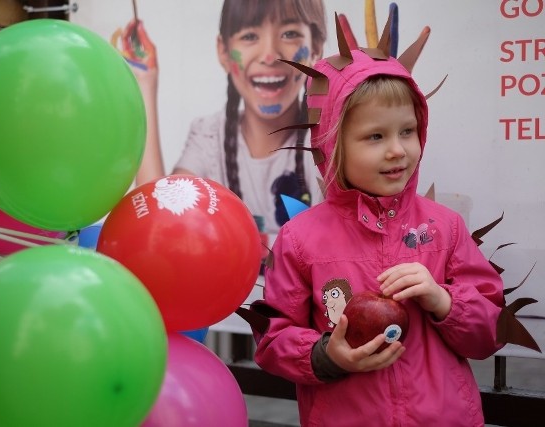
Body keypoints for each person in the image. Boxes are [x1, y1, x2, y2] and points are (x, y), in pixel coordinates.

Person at [251, 14, 506, 427]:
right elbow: (272, 337)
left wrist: (443, 301)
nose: (398, 151)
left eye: (408, 131)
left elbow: (489, 333)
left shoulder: (445, 228)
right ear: (332, 143)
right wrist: (326, 355)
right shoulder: (300, 239)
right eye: (375, 136)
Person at [123, 0, 328, 238]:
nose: (270, 55)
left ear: (316, 48)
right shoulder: (209, 138)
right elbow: (160, 218)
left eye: (289, 34)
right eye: (250, 36)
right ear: (223, 51)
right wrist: (145, 81)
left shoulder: (329, 145)